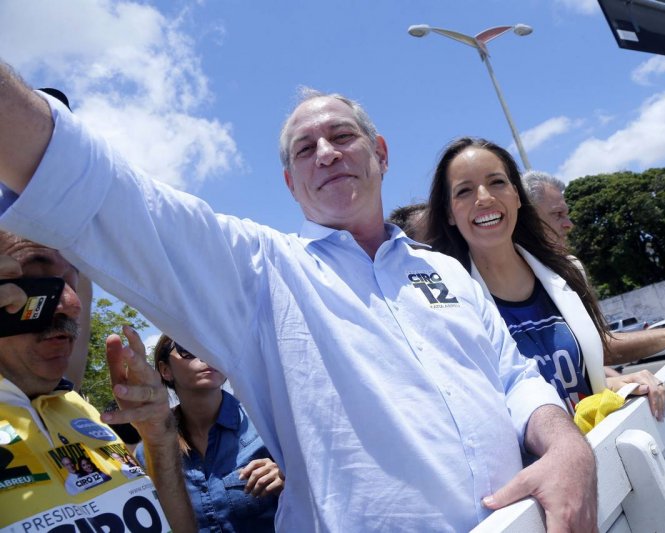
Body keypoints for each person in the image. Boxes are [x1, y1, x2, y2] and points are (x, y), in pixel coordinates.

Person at [0, 71, 596, 531]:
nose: (327, 153)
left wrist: (566, 443)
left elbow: (515, 378)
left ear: (381, 153)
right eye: (305, 149)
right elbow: (112, 195)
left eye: (342, 136)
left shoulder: (446, 271)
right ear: (290, 183)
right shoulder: (263, 273)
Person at [423, 138, 665, 421]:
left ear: (516, 195)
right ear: (449, 213)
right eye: (464, 191)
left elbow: (590, 358)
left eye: (497, 182)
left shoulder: (565, 273)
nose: (484, 198)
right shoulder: (446, 305)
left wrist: (613, 384)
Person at [0, 231, 195, 531]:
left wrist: (159, 439)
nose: (73, 303)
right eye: (39, 278)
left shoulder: (81, 409)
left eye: (72, 282)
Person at [522, 168, 665, 380]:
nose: (569, 224)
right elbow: (600, 347)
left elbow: (593, 348)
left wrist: (612, 379)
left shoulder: (569, 268)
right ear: (527, 220)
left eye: (566, 214)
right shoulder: (510, 282)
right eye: (558, 214)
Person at [136, 334, 283, 532]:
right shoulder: (150, 452)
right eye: (187, 349)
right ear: (165, 370)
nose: (205, 355)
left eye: (211, 346)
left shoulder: (267, 424)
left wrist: (289, 478)